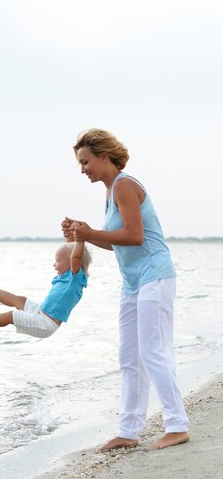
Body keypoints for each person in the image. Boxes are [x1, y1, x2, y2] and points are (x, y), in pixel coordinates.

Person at [64, 128, 189, 451]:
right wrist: (84, 234)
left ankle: (177, 425)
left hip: (155, 276)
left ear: (104, 157)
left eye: (85, 161)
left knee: (153, 351)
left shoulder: (125, 185)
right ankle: (128, 431)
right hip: (133, 282)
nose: (82, 169)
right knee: (129, 356)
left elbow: (135, 237)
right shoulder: (109, 192)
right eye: (80, 163)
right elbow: (118, 245)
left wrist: (91, 232)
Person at [0, 235, 91, 338]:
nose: (54, 264)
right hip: (41, 312)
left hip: (46, 324)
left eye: (57, 261)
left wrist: (80, 238)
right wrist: (70, 236)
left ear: (73, 263)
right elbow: (71, 254)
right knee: (20, 300)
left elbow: (75, 257)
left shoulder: (74, 279)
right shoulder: (67, 276)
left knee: (12, 316)